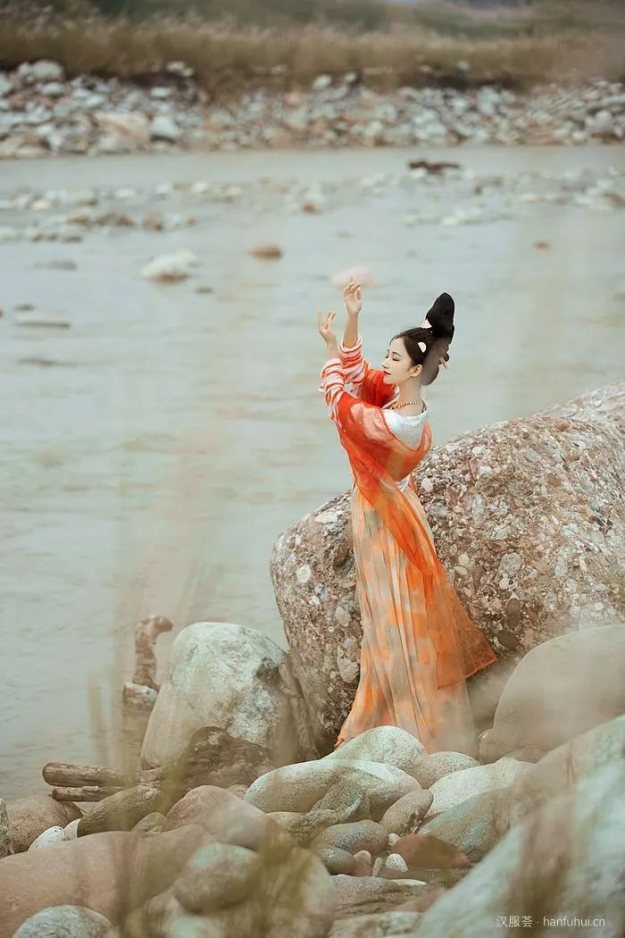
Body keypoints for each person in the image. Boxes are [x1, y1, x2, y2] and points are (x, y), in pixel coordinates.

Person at [317, 280, 497, 756]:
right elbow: (362, 377)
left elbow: (340, 400)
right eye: (388, 354)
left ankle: (407, 727)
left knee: (393, 620)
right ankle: (406, 721)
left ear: (416, 369)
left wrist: (331, 355)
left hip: (383, 522)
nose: (385, 363)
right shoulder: (405, 403)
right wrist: (350, 321)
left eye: (393, 358)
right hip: (398, 509)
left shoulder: (390, 422)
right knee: (399, 618)